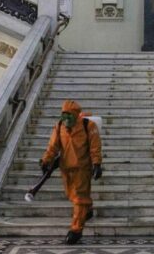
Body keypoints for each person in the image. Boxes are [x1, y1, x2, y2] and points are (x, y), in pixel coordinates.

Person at [40, 100, 103, 245]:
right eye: (64, 116)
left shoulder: (88, 126)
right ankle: (88, 210)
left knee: (79, 199)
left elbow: (95, 147)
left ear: (76, 116)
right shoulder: (59, 127)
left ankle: (76, 230)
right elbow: (53, 146)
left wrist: (97, 164)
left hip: (82, 168)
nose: (66, 119)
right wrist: (46, 160)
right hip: (66, 168)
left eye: (69, 116)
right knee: (71, 195)